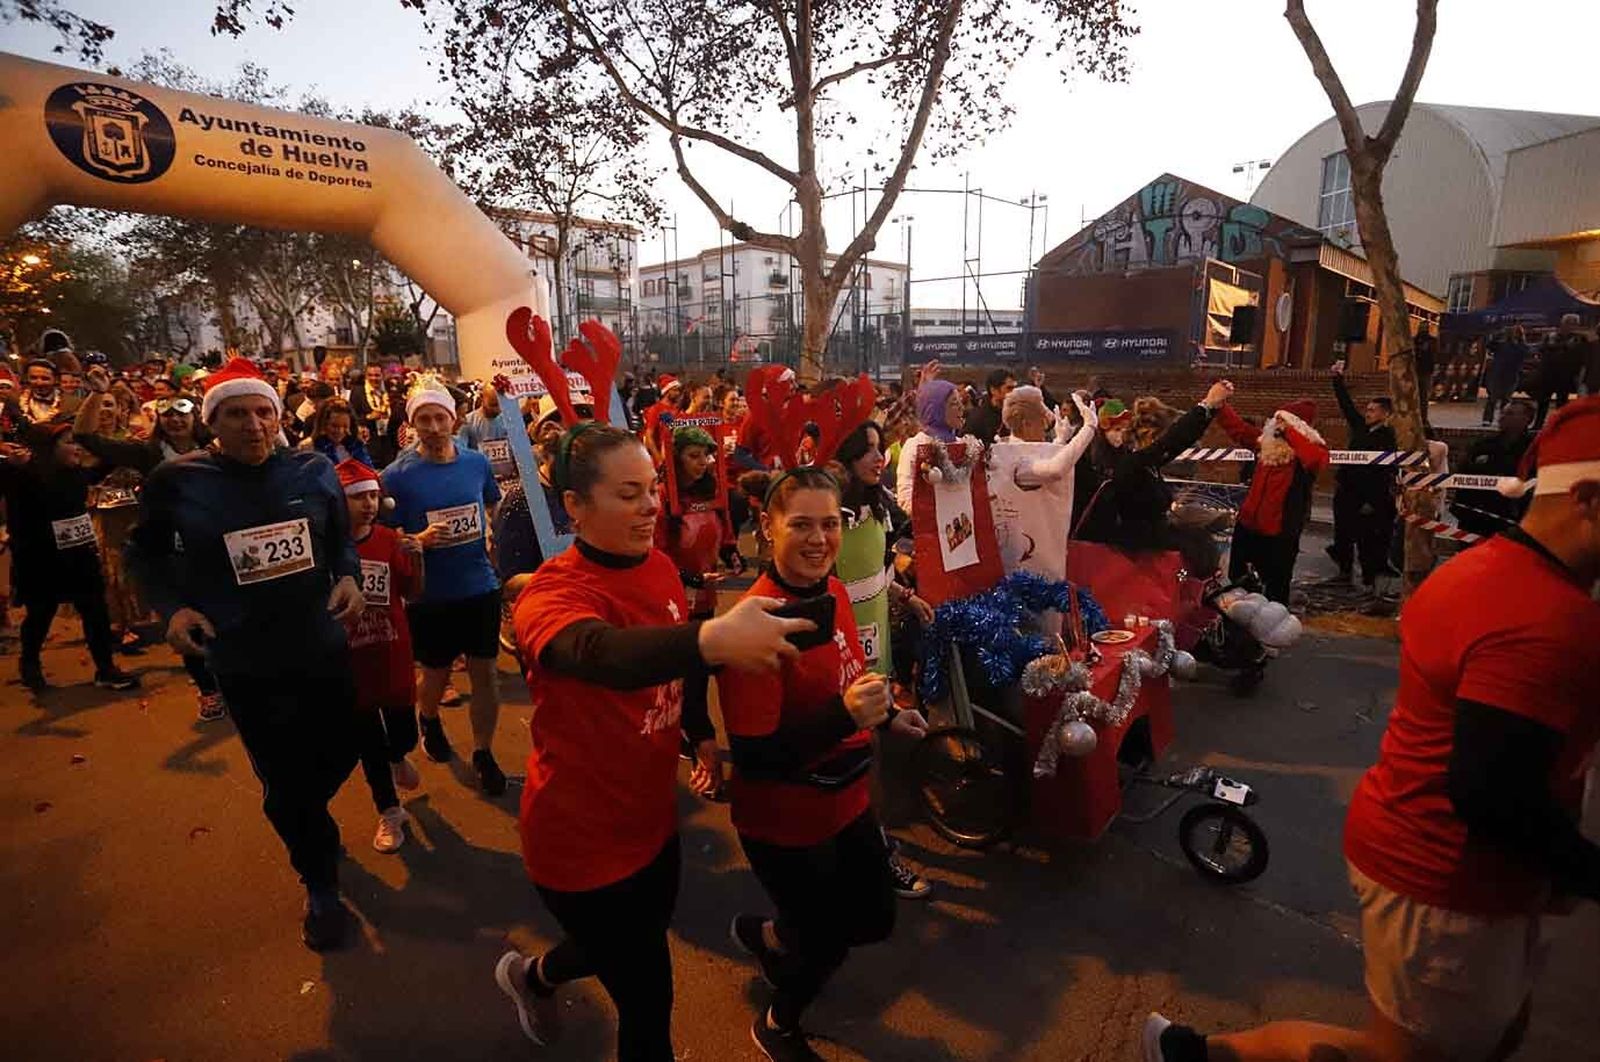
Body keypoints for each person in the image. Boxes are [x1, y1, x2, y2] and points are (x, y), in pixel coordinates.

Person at [1145, 395, 1600, 1062]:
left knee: (1490, 1038)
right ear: (1587, 497)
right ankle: (1199, 1056)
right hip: (1445, 882)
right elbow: (1490, 791)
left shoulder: (1485, 573)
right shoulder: (1537, 614)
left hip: (1458, 874)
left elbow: (1309, 453)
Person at [495, 423, 812, 1059]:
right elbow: (600, 653)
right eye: (627, 494)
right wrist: (709, 638)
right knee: (647, 998)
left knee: (624, 943)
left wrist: (701, 739)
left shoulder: (662, 567)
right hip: (577, 840)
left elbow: (677, 669)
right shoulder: (551, 594)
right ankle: (536, 978)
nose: (648, 508)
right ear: (576, 507)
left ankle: (530, 976)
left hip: (651, 823)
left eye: (652, 490)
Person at [125, 358, 365, 950]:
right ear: (213, 422)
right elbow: (144, 554)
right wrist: (173, 608)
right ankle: (320, 885)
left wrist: (349, 576)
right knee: (284, 777)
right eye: (236, 414)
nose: (253, 425)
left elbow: (340, 542)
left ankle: (310, 818)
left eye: (263, 412)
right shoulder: (178, 481)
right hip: (244, 656)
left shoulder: (314, 470)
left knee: (341, 751)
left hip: (320, 642)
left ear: (279, 415)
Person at [719, 467, 928, 1060]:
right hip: (783, 819)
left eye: (829, 524)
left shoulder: (831, 589)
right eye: (801, 525)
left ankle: (767, 935)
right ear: (768, 527)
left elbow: (847, 676)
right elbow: (758, 759)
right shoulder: (753, 623)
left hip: (847, 795)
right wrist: (846, 715)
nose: (818, 539)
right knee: (829, 938)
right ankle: (778, 1022)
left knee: (876, 919)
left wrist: (885, 715)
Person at [380, 377, 507, 794]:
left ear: (453, 420)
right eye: (424, 420)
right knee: (434, 675)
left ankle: (484, 752)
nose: (433, 427)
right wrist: (414, 541)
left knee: (485, 673)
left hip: (479, 586)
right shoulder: (397, 476)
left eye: (440, 418)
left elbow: (489, 502)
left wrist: (487, 536)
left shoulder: (475, 462)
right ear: (413, 424)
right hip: (430, 594)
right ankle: (429, 718)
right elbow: (380, 536)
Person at [830, 421, 937, 900]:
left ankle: (861, 838)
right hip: (841, 649)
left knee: (867, 744)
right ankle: (873, 850)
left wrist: (904, 596)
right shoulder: (836, 516)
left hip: (877, 644)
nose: (880, 458)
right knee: (858, 751)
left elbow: (876, 570)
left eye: (880, 449)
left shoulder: (878, 506)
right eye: (868, 451)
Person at [1, 419, 140, 692]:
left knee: (95, 611)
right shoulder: (22, 476)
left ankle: (106, 669)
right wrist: (10, 462)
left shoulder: (75, 473)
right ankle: (30, 665)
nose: (77, 448)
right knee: (40, 614)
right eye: (69, 443)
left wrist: (123, 444)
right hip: (40, 560)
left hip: (80, 555)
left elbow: (105, 464)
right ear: (46, 449)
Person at [337, 459, 427, 853]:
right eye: (358, 497)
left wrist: (418, 558)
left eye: (373, 495)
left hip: (392, 651)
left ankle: (396, 757)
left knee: (404, 731)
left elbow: (413, 592)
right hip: (349, 660)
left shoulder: (391, 539)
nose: (369, 504)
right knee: (366, 741)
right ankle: (389, 811)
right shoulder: (328, 548)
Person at [1077, 386, 1233, 568]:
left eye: (1124, 429)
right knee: (1196, 545)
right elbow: (1173, 441)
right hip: (1136, 547)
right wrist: (1206, 405)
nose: (1121, 435)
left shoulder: (1140, 461)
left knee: (1199, 538)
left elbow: (1175, 444)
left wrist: (1209, 409)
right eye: (1116, 429)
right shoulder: (1128, 464)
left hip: (1150, 535)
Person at [1216, 397, 1330, 604]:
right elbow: (1239, 429)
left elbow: (1315, 458)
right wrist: (1219, 404)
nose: (1274, 427)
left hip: (1279, 534)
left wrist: (1288, 433)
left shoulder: (1307, 455)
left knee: (1275, 587)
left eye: (1281, 423)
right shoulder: (1265, 445)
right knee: (1239, 583)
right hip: (1248, 526)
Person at [1327, 362, 1397, 588]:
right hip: (1347, 490)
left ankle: (1369, 580)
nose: (1367, 413)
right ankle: (1344, 573)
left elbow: (1384, 473)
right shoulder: (1360, 429)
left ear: (1386, 414)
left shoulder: (1388, 438)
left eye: (1373, 410)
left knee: (1367, 541)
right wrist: (1337, 379)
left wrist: (1372, 500)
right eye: (1367, 410)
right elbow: (1346, 406)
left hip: (1367, 497)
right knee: (1343, 535)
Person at [1452, 399, 1535, 540]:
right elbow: (1464, 474)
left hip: (1513, 518)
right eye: (1502, 413)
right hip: (1477, 517)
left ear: (1526, 419)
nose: (1502, 417)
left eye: (1509, 414)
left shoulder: (1534, 450)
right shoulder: (1484, 445)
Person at [893, 379, 967, 513]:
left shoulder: (964, 445)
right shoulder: (915, 445)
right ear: (935, 410)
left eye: (961, 402)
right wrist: (931, 517)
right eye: (954, 404)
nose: (962, 408)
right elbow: (905, 495)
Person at [302, 397, 374, 467]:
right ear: (323, 424)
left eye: (345, 426)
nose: (340, 431)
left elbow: (369, 471)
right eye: (334, 426)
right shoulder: (309, 447)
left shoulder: (357, 444)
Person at [349, 361, 396, 466]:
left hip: (389, 444)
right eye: (370, 375)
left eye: (377, 375)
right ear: (365, 376)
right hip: (370, 443)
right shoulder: (358, 392)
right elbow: (352, 418)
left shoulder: (390, 390)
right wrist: (369, 417)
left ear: (382, 375)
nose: (374, 378)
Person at [1483, 326, 1528, 426]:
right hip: (1498, 373)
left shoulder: (1521, 347)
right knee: (1493, 398)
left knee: (1506, 398)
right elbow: (1489, 345)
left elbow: (1524, 355)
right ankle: (1487, 419)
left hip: (1511, 374)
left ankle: (1502, 419)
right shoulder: (1501, 345)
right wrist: (1497, 335)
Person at [961, 368, 1016, 445]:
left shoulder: (1016, 414)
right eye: (1009, 388)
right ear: (993, 390)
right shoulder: (977, 418)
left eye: (1014, 388)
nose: (1013, 392)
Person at [1413, 323, 1436, 426]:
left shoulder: (1432, 341)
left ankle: (1423, 418)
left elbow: (1434, 355)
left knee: (1423, 397)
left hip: (1426, 371)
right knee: (1415, 397)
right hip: (1415, 371)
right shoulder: (1414, 340)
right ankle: (1416, 418)